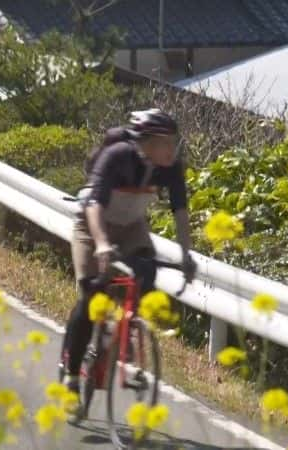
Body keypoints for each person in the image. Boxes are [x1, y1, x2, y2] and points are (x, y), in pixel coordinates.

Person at [61, 108, 198, 407]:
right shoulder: (119, 156)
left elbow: (181, 213)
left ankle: (126, 329)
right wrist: (100, 245)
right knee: (91, 298)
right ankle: (72, 372)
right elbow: (95, 203)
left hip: (132, 227)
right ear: (147, 142)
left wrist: (187, 255)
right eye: (167, 142)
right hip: (93, 226)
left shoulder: (171, 168)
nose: (172, 149)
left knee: (147, 271)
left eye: (174, 142)